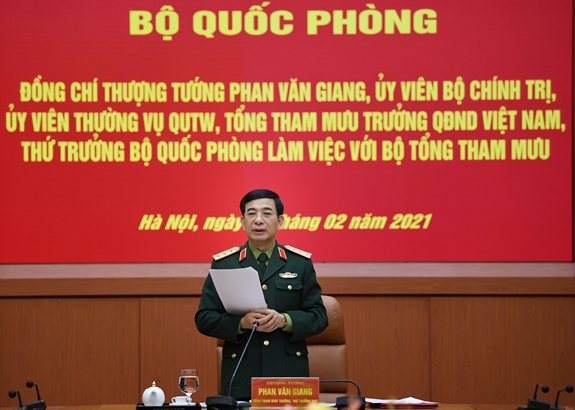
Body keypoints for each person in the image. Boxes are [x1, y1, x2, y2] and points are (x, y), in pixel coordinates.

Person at [195, 189, 328, 400]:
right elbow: (204, 318)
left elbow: (319, 316)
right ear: (242, 221)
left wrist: (284, 320)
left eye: (266, 213)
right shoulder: (225, 263)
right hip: (242, 377)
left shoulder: (299, 263)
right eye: (251, 213)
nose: (258, 220)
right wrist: (241, 323)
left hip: (288, 377)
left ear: (280, 221)